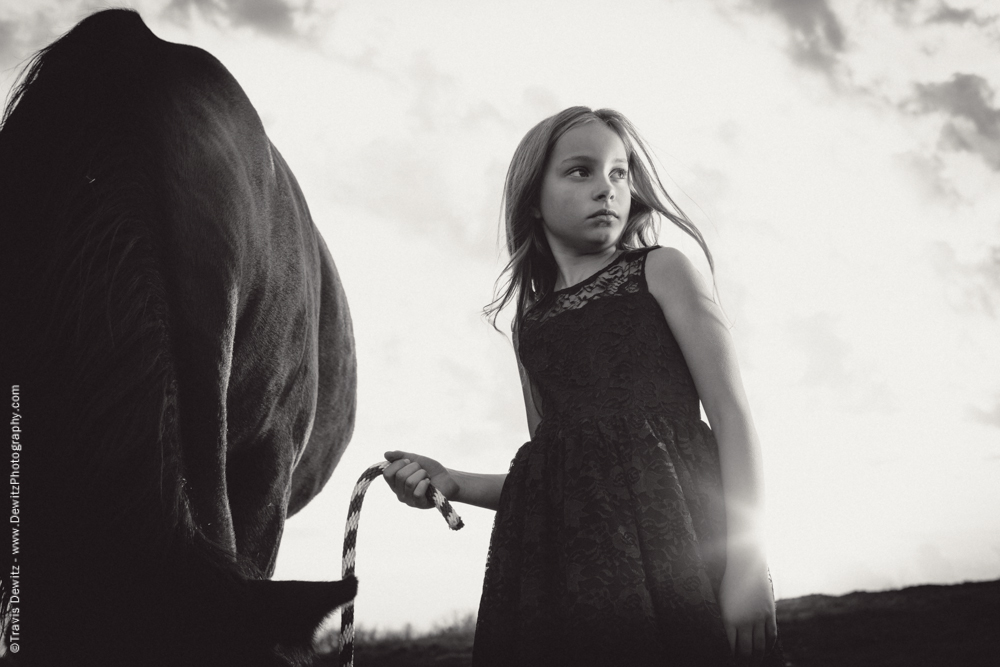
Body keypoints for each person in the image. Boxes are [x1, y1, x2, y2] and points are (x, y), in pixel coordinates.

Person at [382, 106, 783, 666]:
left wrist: (747, 563)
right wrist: (453, 481)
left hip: (684, 557)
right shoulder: (531, 327)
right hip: (574, 583)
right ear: (533, 200)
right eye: (581, 171)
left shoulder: (662, 271)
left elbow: (733, 418)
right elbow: (552, 479)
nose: (607, 189)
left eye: (619, 173)